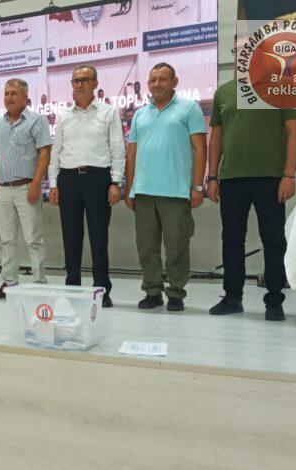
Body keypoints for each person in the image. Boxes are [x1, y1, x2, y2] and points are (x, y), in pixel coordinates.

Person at [206, 42, 296, 321]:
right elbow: (216, 138)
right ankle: (232, 297)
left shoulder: (281, 86)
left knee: (273, 239)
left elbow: (294, 132)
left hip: (271, 179)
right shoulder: (224, 92)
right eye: (238, 51)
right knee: (231, 239)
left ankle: (274, 300)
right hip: (231, 179)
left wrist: (289, 175)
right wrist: (212, 177)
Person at [124, 63, 207, 312]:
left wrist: (197, 187)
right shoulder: (140, 114)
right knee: (146, 247)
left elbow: (200, 149)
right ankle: (152, 291)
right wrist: (130, 188)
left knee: (177, 246)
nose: (156, 84)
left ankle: (176, 293)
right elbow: (132, 153)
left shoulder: (189, 108)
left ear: (174, 82)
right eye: (153, 80)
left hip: (176, 192)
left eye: (162, 79)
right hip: (144, 192)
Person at [49, 65, 125, 308]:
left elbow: (117, 148)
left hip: (98, 179)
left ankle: (101, 290)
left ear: (95, 83)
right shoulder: (63, 115)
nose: (79, 84)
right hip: (69, 179)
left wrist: (116, 182)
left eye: (84, 79)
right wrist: (53, 183)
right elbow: (56, 151)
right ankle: (72, 288)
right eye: (75, 80)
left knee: (98, 238)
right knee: (71, 238)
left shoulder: (108, 112)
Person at [0, 78, 53, 299]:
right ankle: (10, 283)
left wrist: (36, 183)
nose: (9, 97)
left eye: (14, 93)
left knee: (34, 239)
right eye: (6, 93)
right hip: (4, 189)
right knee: (6, 239)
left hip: (27, 188)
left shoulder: (37, 121)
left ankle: (40, 284)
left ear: (25, 96)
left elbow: (44, 153)